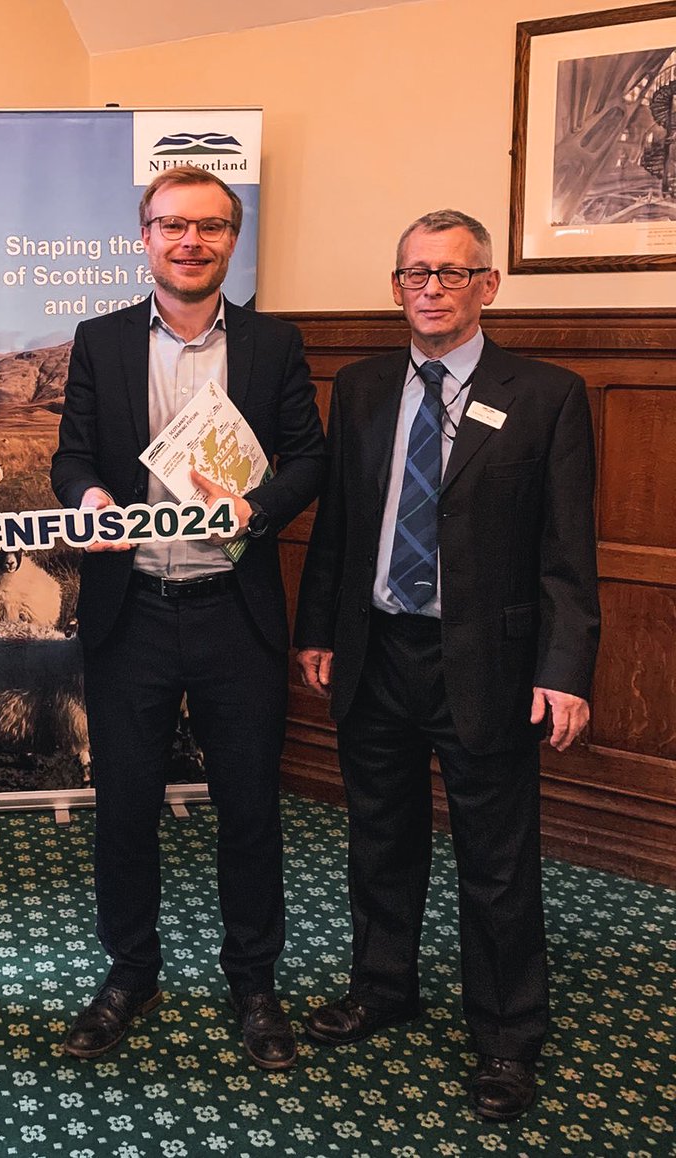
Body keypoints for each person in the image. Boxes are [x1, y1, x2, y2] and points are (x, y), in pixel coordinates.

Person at [294, 209, 599, 1121]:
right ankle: (383, 986)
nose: (431, 288)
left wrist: (568, 668)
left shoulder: (547, 393)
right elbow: (341, 526)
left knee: (497, 863)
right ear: (396, 289)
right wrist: (320, 629)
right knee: (379, 841)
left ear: (488, 287)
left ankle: (508, 1036)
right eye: (415, 274)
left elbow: (567, 552)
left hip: (492, 666)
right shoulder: (359, 386)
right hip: (377, 651)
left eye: (452, 274)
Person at [50, 166, 326, 1070]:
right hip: (131, 612)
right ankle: (130, 972)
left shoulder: (275, 344)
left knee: (249, 809)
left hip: (232, 614)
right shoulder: (97, 340)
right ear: (146, 238)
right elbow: (71, 456)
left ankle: (255, 982)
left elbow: (311, 462)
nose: (190, 241)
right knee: (124, 807)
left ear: (230, 241)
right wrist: (87, 493)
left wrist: (260, 507)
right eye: (172, 225)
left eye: (209, 226)